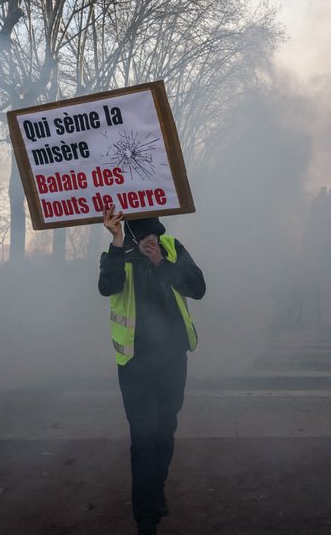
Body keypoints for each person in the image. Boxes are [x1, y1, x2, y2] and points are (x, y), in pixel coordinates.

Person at [98, 205, 206, 535]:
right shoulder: (117, 253)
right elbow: (107, 287)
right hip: (134, 361)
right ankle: (146, 519)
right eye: (144, 235)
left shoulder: (172, 247)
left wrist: (161, 261)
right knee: (143, 436)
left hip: (172, 357)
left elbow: (198, 288)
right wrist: (117, 243)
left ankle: (155, 491)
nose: (150, 239)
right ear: (130, 233)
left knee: (165, 428)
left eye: (154, 234)